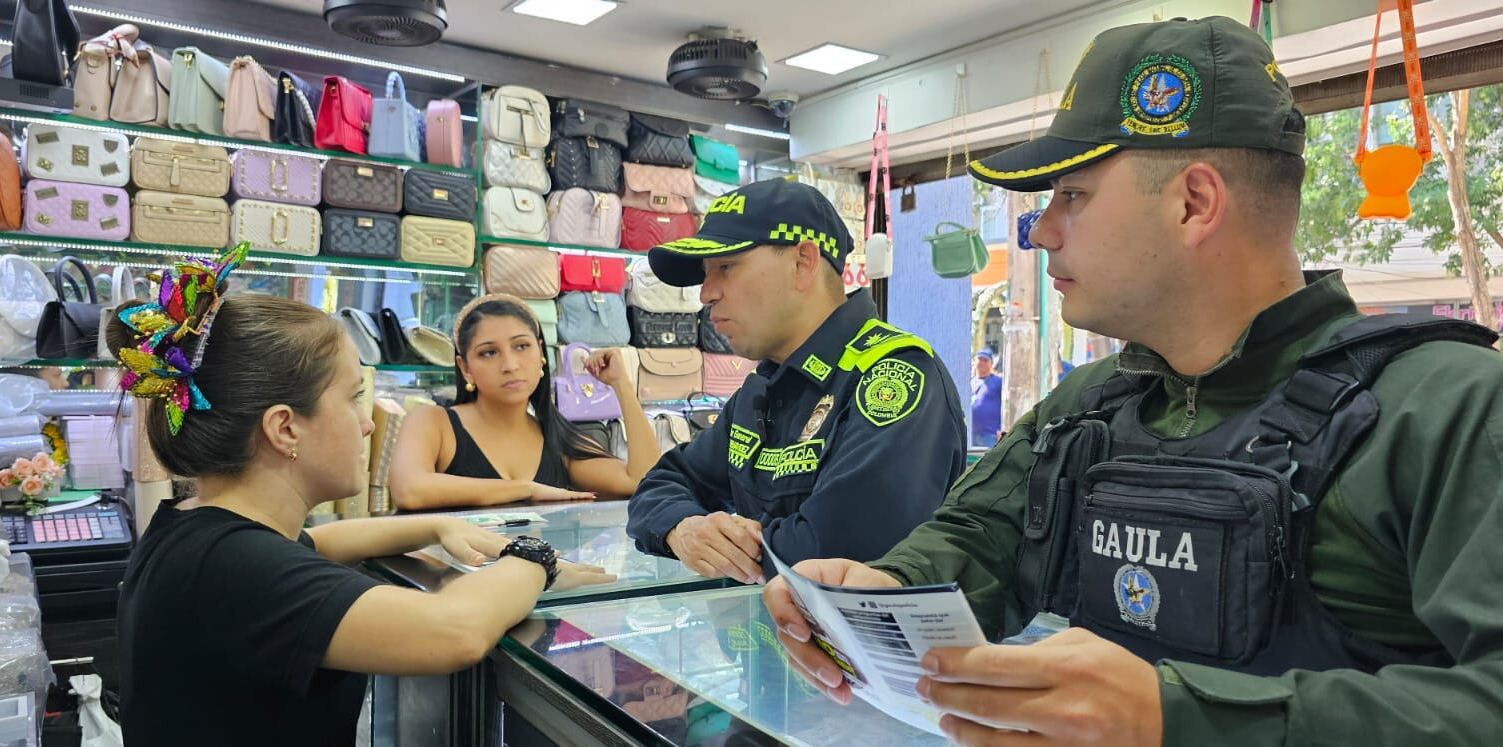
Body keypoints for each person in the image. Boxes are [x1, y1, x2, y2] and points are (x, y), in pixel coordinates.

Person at [764, 16, 1503, 746]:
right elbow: (979, 537)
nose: (1041, 229)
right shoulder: (1084, 408)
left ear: (1195, 203)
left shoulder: (1447, 409)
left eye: (1072, 195)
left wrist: (1174, 716)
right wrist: (881, 595)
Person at [112, 247, 615, 746]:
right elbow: (456, 631)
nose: (368, 422)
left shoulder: (197, 527)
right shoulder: (235, 567)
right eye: (354, 398)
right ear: (285, 428)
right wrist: (533, 560)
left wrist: (436, 526)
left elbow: (324, 541)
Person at [626, 179, 967, 584]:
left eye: (726, 267)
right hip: (770, 638)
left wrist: (726, 547)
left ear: (803, 262)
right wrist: (683, 529)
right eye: (706, 273)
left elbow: (831, 555)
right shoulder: (763, 388)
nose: (706, 293)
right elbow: (663, 483)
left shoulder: (894, 377)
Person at [388, 294, 660, 510]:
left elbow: (640, 480)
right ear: (465, 367)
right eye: (489, 352)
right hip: (453, 579)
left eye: (521, 346)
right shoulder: (433, 423)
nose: (510, 365)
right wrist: (526, 489)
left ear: (541, 353)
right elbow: (409, 490)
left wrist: (621, 384)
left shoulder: (557, 439)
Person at [968, 348, 1002, 447]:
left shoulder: (998, 382)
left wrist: (1002, 428)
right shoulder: (970, 383)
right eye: (980, 359)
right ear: (974, 361)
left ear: (991, 364)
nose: (982, 362)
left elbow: (1007, 406)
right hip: (971, 435)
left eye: (985, 360)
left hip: (990, 435)